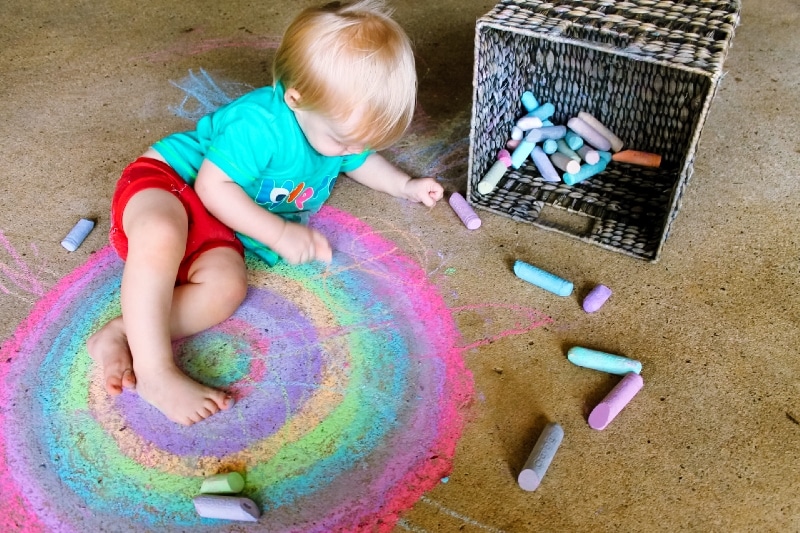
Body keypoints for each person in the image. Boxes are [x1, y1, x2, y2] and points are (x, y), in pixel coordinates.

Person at [87, 0, 444, 426]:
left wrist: (404, 184)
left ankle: (124, 331)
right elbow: (212, 188)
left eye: (358, 141)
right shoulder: (258, 124)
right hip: (173, 182)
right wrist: (277, 233)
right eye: (343, 140)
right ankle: (155, 372)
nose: (351, 150)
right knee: (162, 234)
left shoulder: (335, 127)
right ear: (295, 98)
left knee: (226, 288)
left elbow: (359, 159)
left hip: (221, 224)